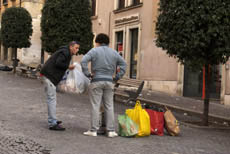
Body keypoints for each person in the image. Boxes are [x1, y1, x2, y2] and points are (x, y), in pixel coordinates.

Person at [81, 33, 127, 137]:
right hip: (109, 81)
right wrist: (117, 77)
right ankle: (110, 131)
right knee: (109, 106)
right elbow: (124, 64)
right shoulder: (114, 52)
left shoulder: (94, 50)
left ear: (97, 42)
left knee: (95, 105)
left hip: (96, 80)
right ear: (107, 42)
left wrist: (87, 74)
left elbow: (83, 61)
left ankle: (93, 130)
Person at [40, 41, 80, 131]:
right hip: (48, 76)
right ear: (71, 47)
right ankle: (52, 123)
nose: (77, 50)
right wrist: (68, 67)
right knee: (51, 99)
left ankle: (53, 119)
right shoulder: (65, 52)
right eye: (76, 48)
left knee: (52, 99)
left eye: (78, 48)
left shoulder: (65, 51)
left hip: (48, 76)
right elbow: (58, 63)